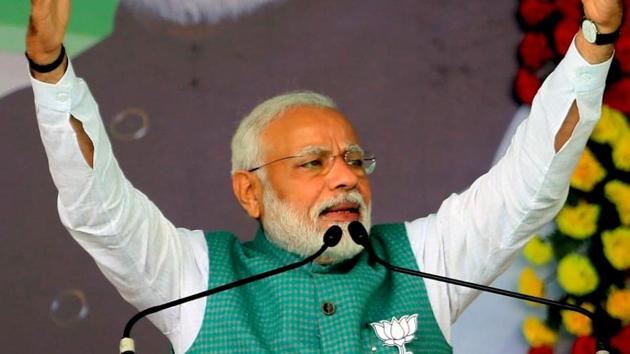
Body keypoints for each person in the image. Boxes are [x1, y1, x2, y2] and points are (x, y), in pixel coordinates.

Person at [26, 0, 623, 353]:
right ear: (249, 191)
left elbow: (531, 184)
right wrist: (52, 74)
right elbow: (100, 212)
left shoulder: (425, 263)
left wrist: (595, 44)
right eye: (313, 163)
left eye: (354, 161)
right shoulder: (196, 281)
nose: (345, 179)